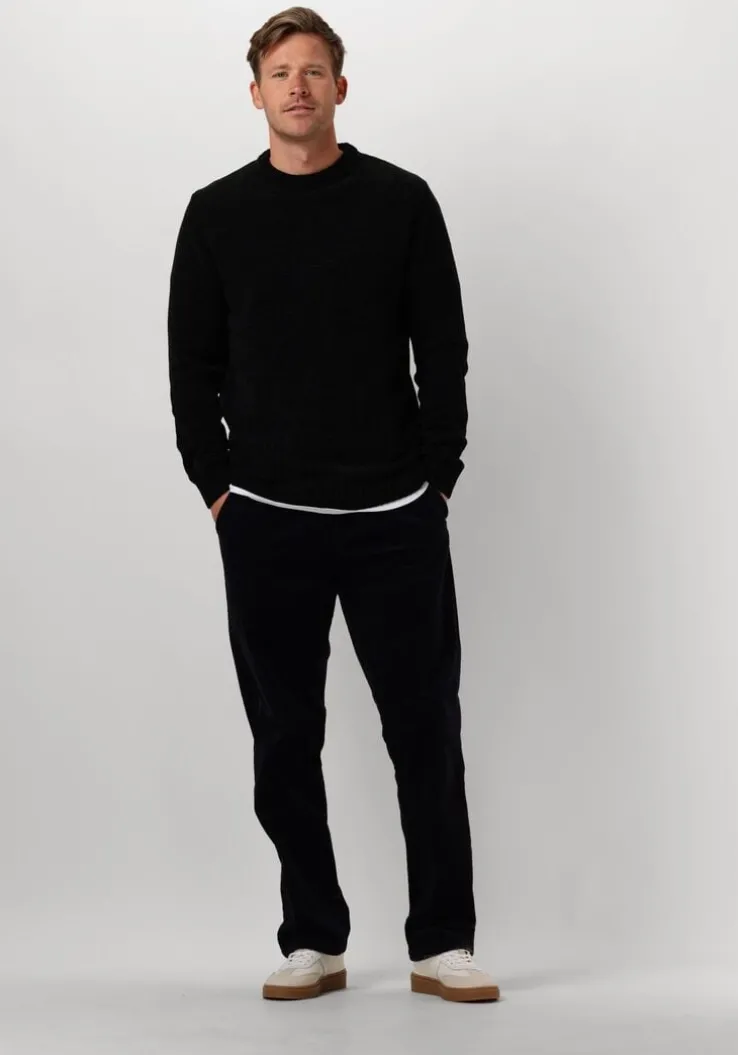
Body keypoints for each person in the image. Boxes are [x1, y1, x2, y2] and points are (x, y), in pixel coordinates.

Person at [167, 5, 500, 1004]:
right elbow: (193, 368)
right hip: (266, 517)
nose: (299, 87)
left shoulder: (401, 202)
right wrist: (218, 489)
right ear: (256, 93)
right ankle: (313, 934)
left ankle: (442, 940)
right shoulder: (216, 214)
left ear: (341, 88)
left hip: (395, 515)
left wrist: (436, 477)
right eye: (281, 73)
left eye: (314, 70)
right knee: (284, 741)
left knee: (425, 730)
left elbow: (443, 348)